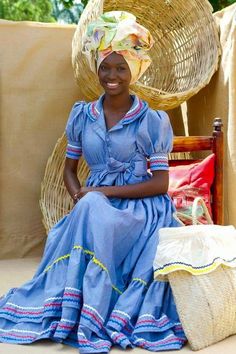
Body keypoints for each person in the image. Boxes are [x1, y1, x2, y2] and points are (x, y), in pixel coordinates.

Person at [0, 11, 186, 353]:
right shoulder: (82, 116)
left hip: (140, 212)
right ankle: (75, 311)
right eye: (105, 67)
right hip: (92, 206)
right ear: (96, 68)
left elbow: (160, 184)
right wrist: (79, 198)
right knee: (88, 213)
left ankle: (93, 314)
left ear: (135, 71)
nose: (111, 75)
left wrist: (100, 192)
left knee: (93, 208)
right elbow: (70, 170)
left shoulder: (152, 121)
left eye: (120, 68)